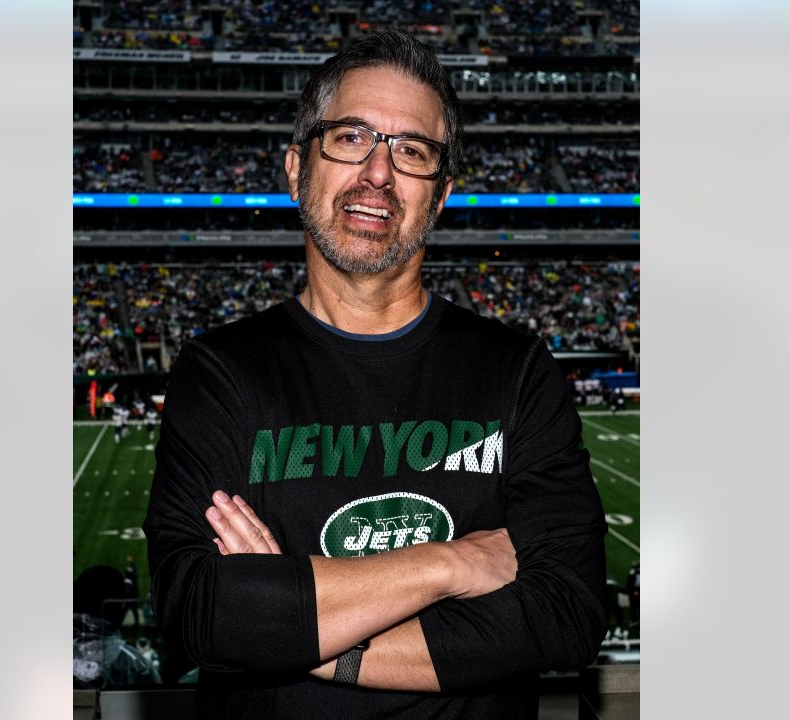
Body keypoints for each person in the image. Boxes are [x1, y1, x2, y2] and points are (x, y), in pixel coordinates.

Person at [143, 29, 606, 719]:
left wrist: (300, 628)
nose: (379, 174)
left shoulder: (517, 371)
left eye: (411, 151)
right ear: (297, 167)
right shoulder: (220, 373)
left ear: (441, 194)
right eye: (352, 138)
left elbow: (568, 611)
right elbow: (198, 610)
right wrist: (447, 566)